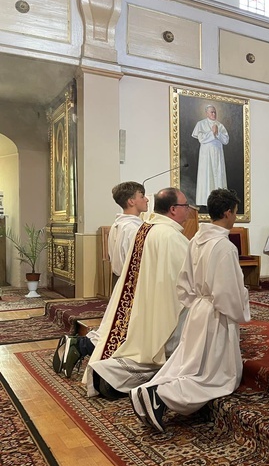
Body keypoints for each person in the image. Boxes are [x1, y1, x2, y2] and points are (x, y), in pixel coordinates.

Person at [131, 188, 250, 432]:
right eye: (235, 213)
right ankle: (161, 396)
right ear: (227, 213)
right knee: (217, 376)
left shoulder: (195, 239)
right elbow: (227, 292)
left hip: (198, 309)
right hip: (217, 313)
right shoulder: (224, 247)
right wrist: (240, 310)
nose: (235, 217)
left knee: (189, 362)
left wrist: (194, 304)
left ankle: (150, 390)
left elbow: (183, 281)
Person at [79, 188, 191, 399]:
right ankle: (109, 377)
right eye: (186, 206)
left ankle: (103, 372)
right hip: (159, 303)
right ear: (174, 209)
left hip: (144, 297)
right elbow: (190, 279)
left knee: (138, 344)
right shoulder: (169, 236)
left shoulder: (147, 228)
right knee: (156, 353)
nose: (189, 211)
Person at [53, 182, 148, 377]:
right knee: (118, 330)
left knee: (115, 328)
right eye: (142, 195)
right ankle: (82, 346)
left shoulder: (120, 224)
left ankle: (80, 345)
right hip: (131, 285)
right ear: (131, 201)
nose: (146, 199)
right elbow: (136, 261)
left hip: (122, 282)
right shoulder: (132, 229)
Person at [193, 105, 230, 206]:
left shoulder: (220, 125)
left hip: (218, 154)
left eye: (215, 112)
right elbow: (201, 139)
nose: (213, 114)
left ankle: (220, 200)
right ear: (206, 113)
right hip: (206, 155)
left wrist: (217, 133)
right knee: (207, 175)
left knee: (218, 175)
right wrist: (212, 133)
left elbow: (226, 140)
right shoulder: (200, 124)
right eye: (211, 112)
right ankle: (205, 200)